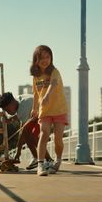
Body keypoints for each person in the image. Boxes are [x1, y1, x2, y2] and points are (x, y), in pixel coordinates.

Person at [30, 45, 68, 176]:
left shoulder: (54, 71)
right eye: (42, 58)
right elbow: (35, 93)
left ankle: (57, 161)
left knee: (58, 138)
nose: (45, 60)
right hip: (44, 111)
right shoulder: (35, 76)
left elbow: (53, 84)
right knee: (44, 133)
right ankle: (40, 165)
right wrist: (34, 108)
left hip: (59, 109)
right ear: (36, 60)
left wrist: (46, 96)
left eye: (48, 57)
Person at [0, 92, 53, 170]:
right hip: (36, 115)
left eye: (7, 109)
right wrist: (11, 119)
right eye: (6, 111)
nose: (8, 112)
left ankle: (49, 160)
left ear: (12, 103)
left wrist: (18, 153)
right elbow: (23, 116)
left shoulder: (23, 107)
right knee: (28, 136)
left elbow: (23, 131)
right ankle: (36, 157)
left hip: (45, 114)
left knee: (33, 136)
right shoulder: (18, 101)